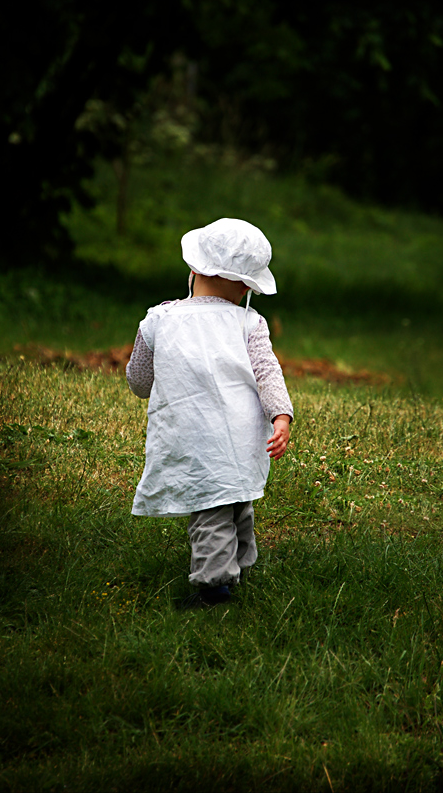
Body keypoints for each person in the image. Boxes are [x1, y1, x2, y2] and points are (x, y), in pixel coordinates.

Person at [126, 218, 293, 607]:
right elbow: (268, 373)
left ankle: (215, 589)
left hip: (195, 439)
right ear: (246, 285)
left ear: (195, 269)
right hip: (241, 438)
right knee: (236, 498)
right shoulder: (250, 323)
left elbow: (138, 379)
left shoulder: (160, 320)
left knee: (209, 511)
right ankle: (240, 563)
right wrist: (280, 415)